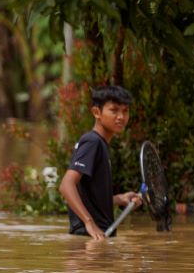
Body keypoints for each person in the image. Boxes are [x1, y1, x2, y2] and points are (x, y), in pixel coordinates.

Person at [59, 85, 141, 241]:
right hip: (88, 239)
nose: (121, 117)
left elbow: (89, 197)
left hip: (96, 238)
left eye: (125, 111)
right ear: (97, 112)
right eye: (114, 110)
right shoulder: (93, 142)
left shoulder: (99, 144)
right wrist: (89, 222)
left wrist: (119, 199)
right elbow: (66, 185)